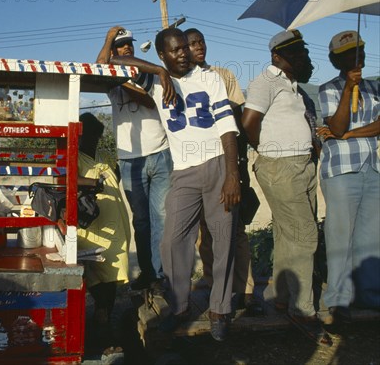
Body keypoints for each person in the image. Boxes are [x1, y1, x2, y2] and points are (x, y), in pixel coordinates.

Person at [110, 27, 240, 341]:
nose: (183, 53)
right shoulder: (155, 81)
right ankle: (180, 306)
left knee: (223, 239)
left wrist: (233, 175)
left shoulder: (209, 78)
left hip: (218, 164)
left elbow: (226, 127)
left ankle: (220, 309)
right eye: (175, 49)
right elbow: (114, 61)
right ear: (162, 55)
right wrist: (157, 72)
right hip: (183, 170)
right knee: (171, 241)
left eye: (185, 47)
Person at [242, 30, 331, 345]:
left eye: (304, 53)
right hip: (281, 166)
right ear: (277, 57)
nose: (303, 58)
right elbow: (249, 122)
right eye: (296, 54)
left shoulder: (293, 87)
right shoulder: (265, 83)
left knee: (287, 233)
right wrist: (268, 154)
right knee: (305, 236)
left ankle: (280, 296)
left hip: (302, 164)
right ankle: (303, 309)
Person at [184, 28, 262, 315]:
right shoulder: (180, 81)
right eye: (191, 44)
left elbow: (237, 115)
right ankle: (217, 288)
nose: (198, 47)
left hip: (229, 162)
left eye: (201, 42)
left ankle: (246, 290)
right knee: (207, 233)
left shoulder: (223, 75)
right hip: (199, 163)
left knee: (236, 229)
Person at [96, 27, 172, 291]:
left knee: (161, 217)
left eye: (129, 43)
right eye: (121, 45)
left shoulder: (145, 73)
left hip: (160, 153)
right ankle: (148, 272)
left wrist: (125, 83)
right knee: (141, 220)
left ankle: (161, 275)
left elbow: (149, 102)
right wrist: (107, 40)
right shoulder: (110, 78)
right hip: (130, 160)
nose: (127, 48)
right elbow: (99, 66)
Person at [317, 30, 380, 320]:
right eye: (350, 53)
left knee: (371, 237)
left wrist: (349, 134)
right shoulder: (328, 89)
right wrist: (347, 91)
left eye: (361, 51)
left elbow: (369, 128)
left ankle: (368, 294)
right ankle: (338, 299)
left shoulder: (373, 88)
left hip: (371, 166)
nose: (359, 57)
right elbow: (337, 126)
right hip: (341, 170)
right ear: (336, 59)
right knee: (340, 237)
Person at [76, 112, 131, 327]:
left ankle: (105, 316)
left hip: (116, 222)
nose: (92, 141)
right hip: (94, 227)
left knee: (115, 270)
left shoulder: (104, 155)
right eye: (88, 136)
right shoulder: (74, 155)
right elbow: (68, 178)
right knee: (97, 272)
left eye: (96, 137)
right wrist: (92, 184)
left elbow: (117, 175)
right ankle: (101, 316)